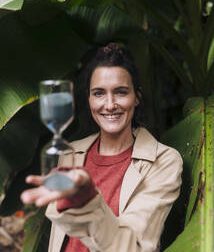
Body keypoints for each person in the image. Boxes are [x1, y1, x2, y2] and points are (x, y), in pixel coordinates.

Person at [21, 43, 183, 252]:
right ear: (88, 98)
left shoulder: (164, 161)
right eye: (98, 93)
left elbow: (133, 246)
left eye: (121, 92)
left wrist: (87, 200)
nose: (109, 104)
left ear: (137, 97)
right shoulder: (70, 153)